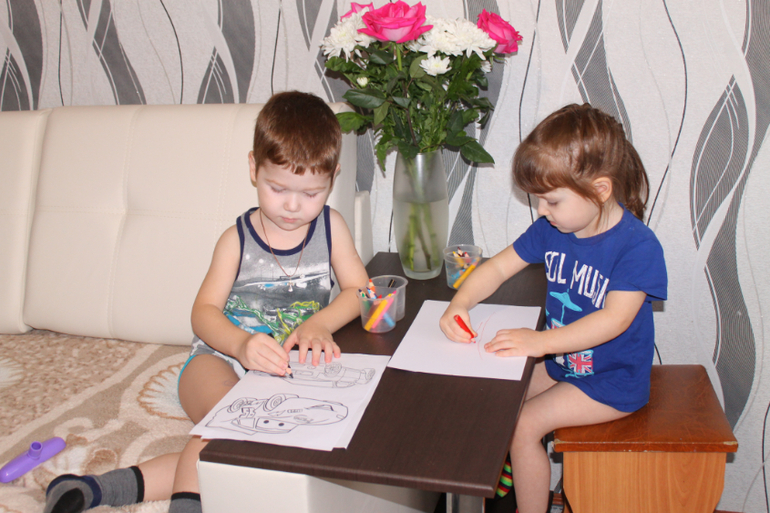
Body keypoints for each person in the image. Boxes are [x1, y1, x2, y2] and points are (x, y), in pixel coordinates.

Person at [43, 91, 370, 513]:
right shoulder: (236, 240)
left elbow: (361, 291)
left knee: (246, 449)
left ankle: (94, 490)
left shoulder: (331, 227)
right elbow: (202, 314)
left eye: (311, 193)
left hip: (283, 371)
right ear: (253, 168)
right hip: (216, 358)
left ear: (333, 177)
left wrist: (320, 323)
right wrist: (240, 345)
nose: (292, 206)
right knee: (230, 426)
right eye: (277, 188)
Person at [439, 103, 667, 513]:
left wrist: (539, 342)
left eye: (552, 201)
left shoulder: (638, 247)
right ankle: (509, 474)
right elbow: (498, 267)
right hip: (566, 366)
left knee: (524, 425)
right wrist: (459, 302)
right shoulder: (553, 229)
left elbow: (613, 320)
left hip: (611, 381)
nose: (542, 211)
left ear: (600, 190)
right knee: (495, 397)